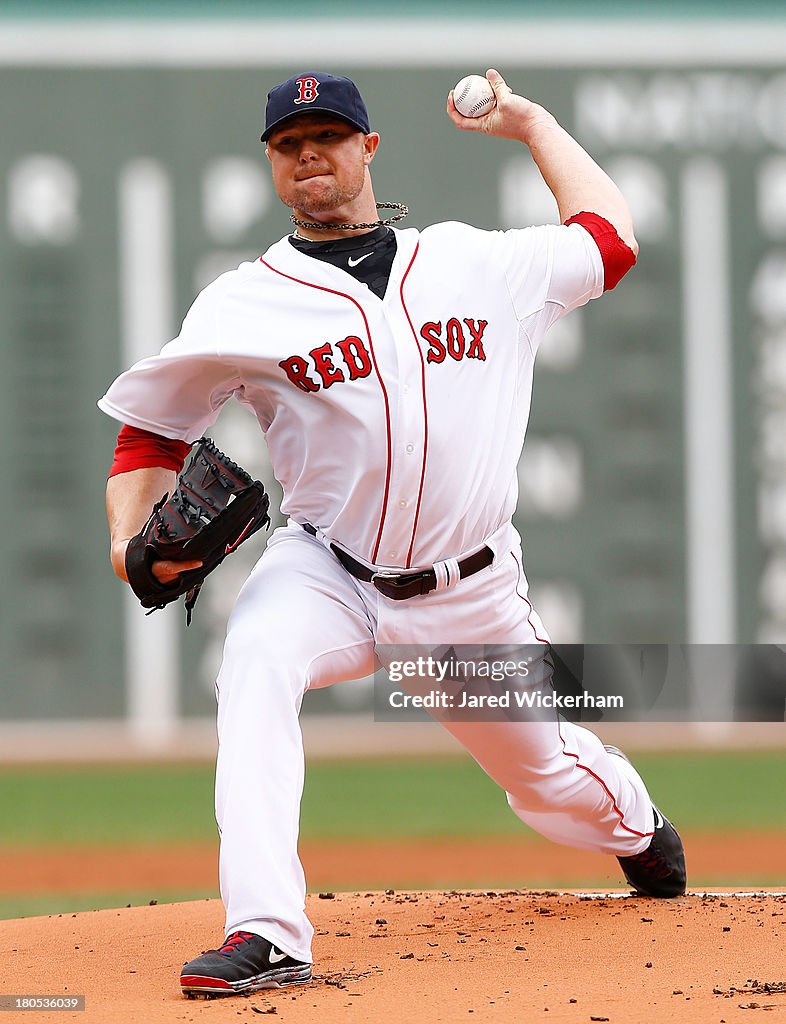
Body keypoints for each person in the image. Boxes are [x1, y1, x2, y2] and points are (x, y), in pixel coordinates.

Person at [99, 69, 686, 999]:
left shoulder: (473, 263)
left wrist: (533, 124)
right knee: (253, 657)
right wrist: (129, 541)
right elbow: (150, 434)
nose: (309, 157)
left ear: (367, 148)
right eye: (290, 145)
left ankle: (636, 826)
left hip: (469, 595)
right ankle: (267, 930)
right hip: (328, 569)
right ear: (271, 164)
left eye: (327, 138)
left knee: (549, 782)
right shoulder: (242, 302)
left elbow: (610, 240)